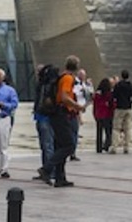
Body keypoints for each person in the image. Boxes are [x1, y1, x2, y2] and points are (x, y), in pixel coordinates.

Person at [37, 55, 83, 188]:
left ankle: (60, 177)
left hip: (56, 114)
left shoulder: (61, 76)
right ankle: (46, 168)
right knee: (69, 145)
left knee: (59, 146)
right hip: (62, 113)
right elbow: (64, 96)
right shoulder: (68, 78)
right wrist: (77, 106)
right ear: (77, 66)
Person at [32, 64, 56, 178]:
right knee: (45, 145)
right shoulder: (44, 84)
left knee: (47, 145)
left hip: (45, 117)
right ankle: (46, 169)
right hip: (41, 116)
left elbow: (43, 101)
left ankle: (49, 171)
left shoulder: (46, 85)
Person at [111, 69, 132, 154]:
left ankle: (114, 147)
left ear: (121, 76)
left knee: (116, 128)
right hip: (128, 108)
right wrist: (130, 102)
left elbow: (114, 96)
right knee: (128, 128)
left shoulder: (118, 86)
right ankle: (126, 147)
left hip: (119, 108)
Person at [70, 68, 93, 161]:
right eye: (82, 75)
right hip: (75, 109)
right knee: (73, 132)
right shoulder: (75, 83)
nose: (83, 77)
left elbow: (90, 95)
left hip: (81, 107)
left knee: (75, 131)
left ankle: (73, 151)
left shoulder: (84, 84)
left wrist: (89, 86)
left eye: (84, 75)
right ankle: (71, 152)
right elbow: (75, 95)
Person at [92, 77, 115, 153]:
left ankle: (98, 148)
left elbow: (95, 105)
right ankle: (106, 145)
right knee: (108, 132)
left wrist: (94, 114)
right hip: (107, 114)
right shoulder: (109, 94)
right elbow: (112, 105)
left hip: (99, 114)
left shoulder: (97, 94)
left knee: (99, 132)